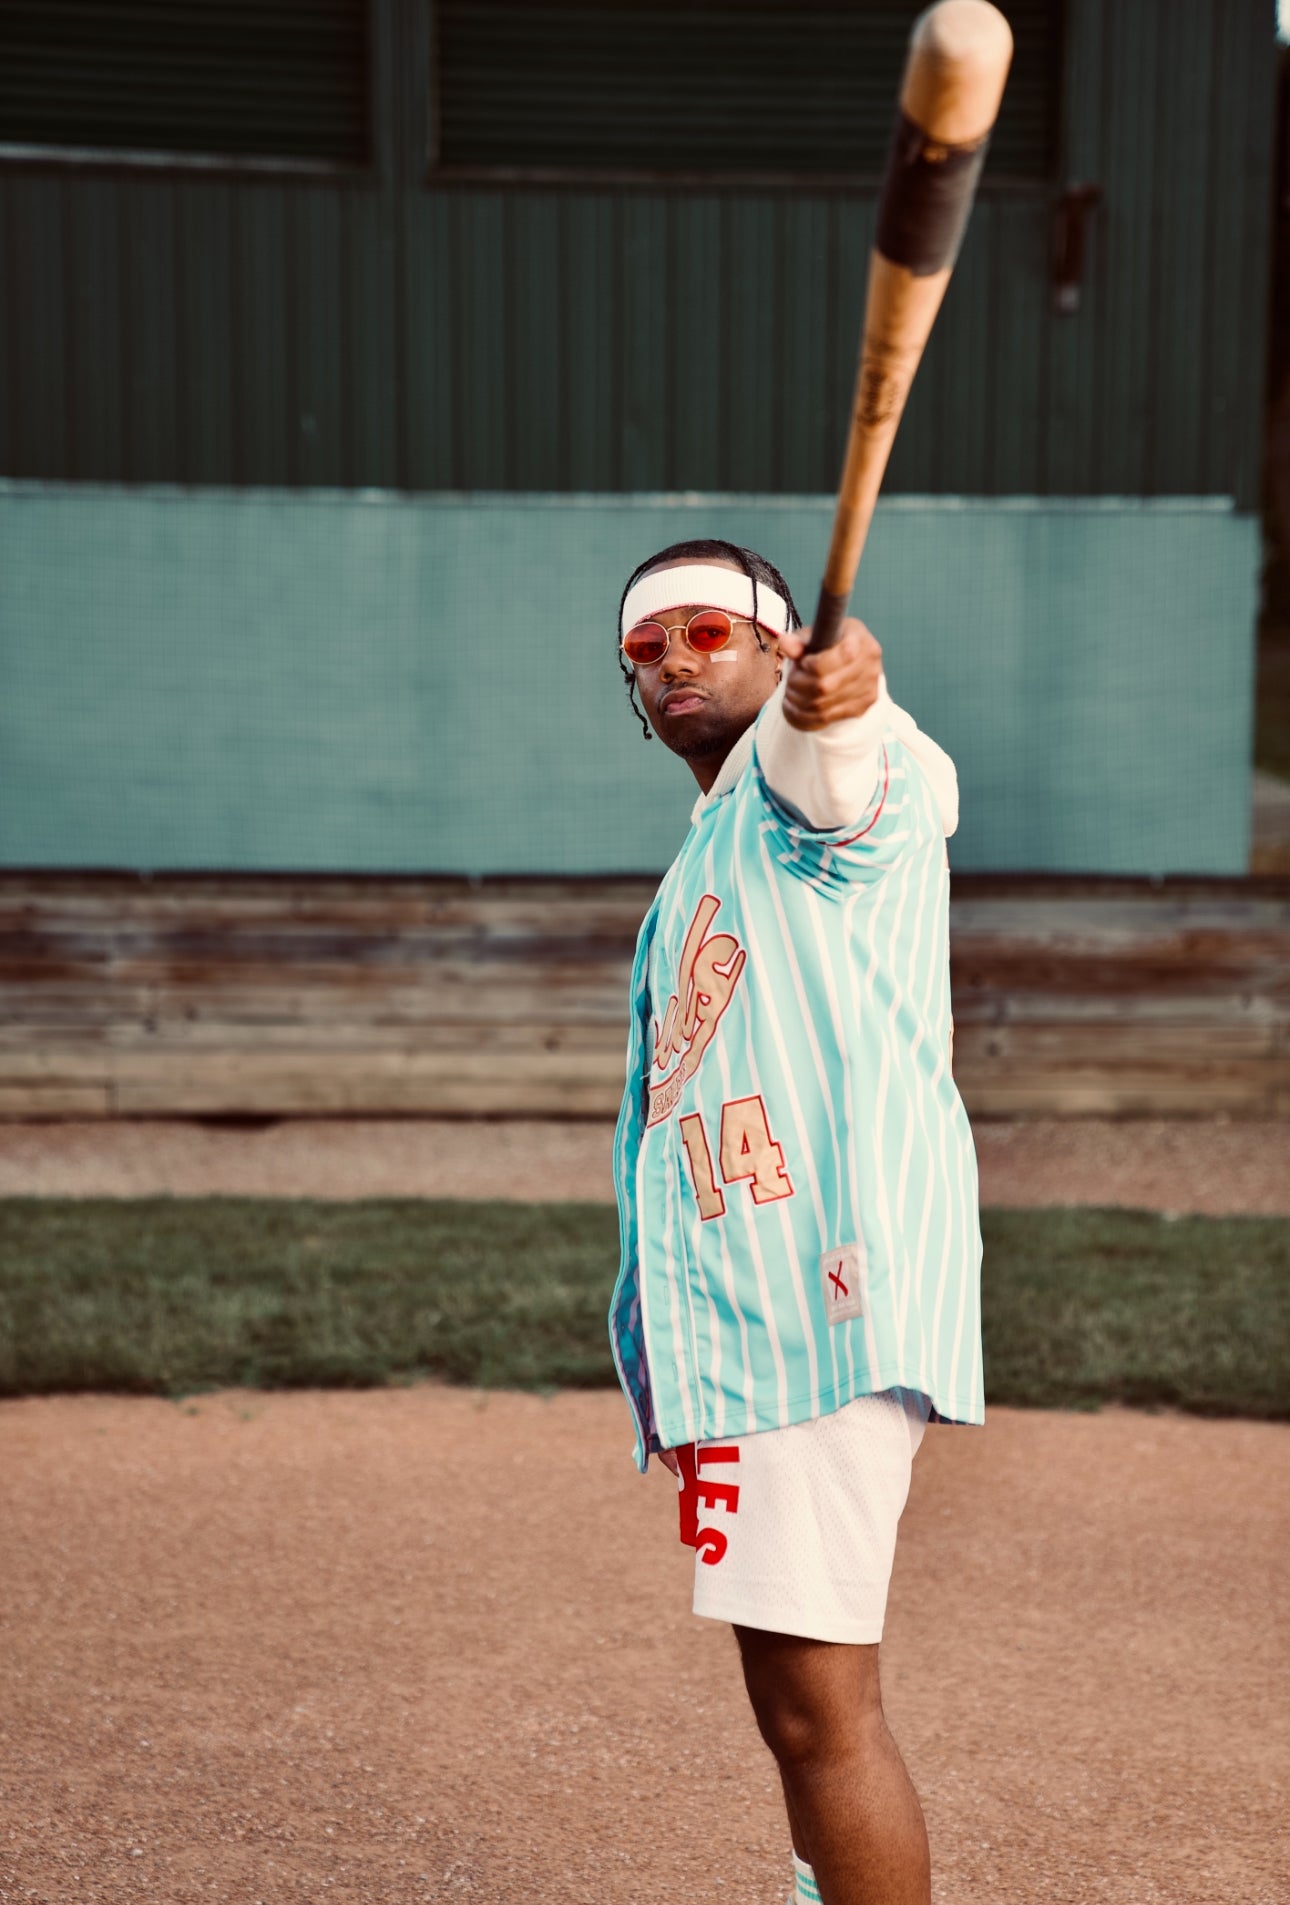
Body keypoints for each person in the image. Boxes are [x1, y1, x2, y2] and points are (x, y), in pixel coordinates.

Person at [606, 537, 983, 1905]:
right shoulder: (711, 841)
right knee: (793, 1708)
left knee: (822, 1711)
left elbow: (847, 764)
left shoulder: (812, 784)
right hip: (757, 1316)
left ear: (776, 650)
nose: (671, 665)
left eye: (704, 631)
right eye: (644, 651)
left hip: (815, 1300)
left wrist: (847, 700)